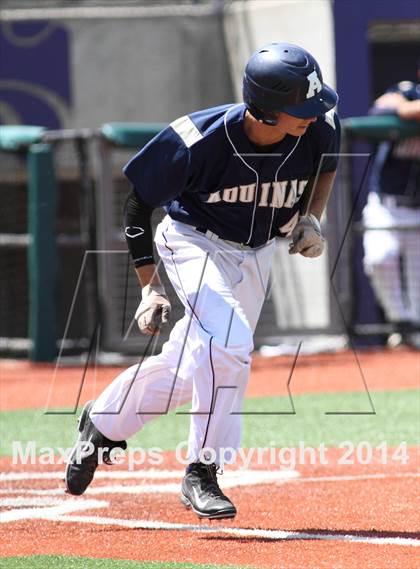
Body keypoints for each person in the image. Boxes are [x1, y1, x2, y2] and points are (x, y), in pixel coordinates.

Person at [65, 42, 340, 520]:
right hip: (194, 240)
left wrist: (311, 219)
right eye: (301, 108)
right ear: (265, 109)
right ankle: (202, 471)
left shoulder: (318, 126)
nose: (314, 116)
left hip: (256, 252)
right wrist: (150, 286)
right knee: (229, 345)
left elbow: (327, 169)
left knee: (189, 366)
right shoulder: (197, 137)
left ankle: (103, 420)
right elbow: (136, 206)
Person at [362, 76, 420, 348]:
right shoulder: (406, 91)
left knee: (418, 282)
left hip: (417, 210)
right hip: (387, 204)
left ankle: (412, 334)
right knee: (379, 258)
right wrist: (407, 108)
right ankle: (400, 320)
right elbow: (379, 108)